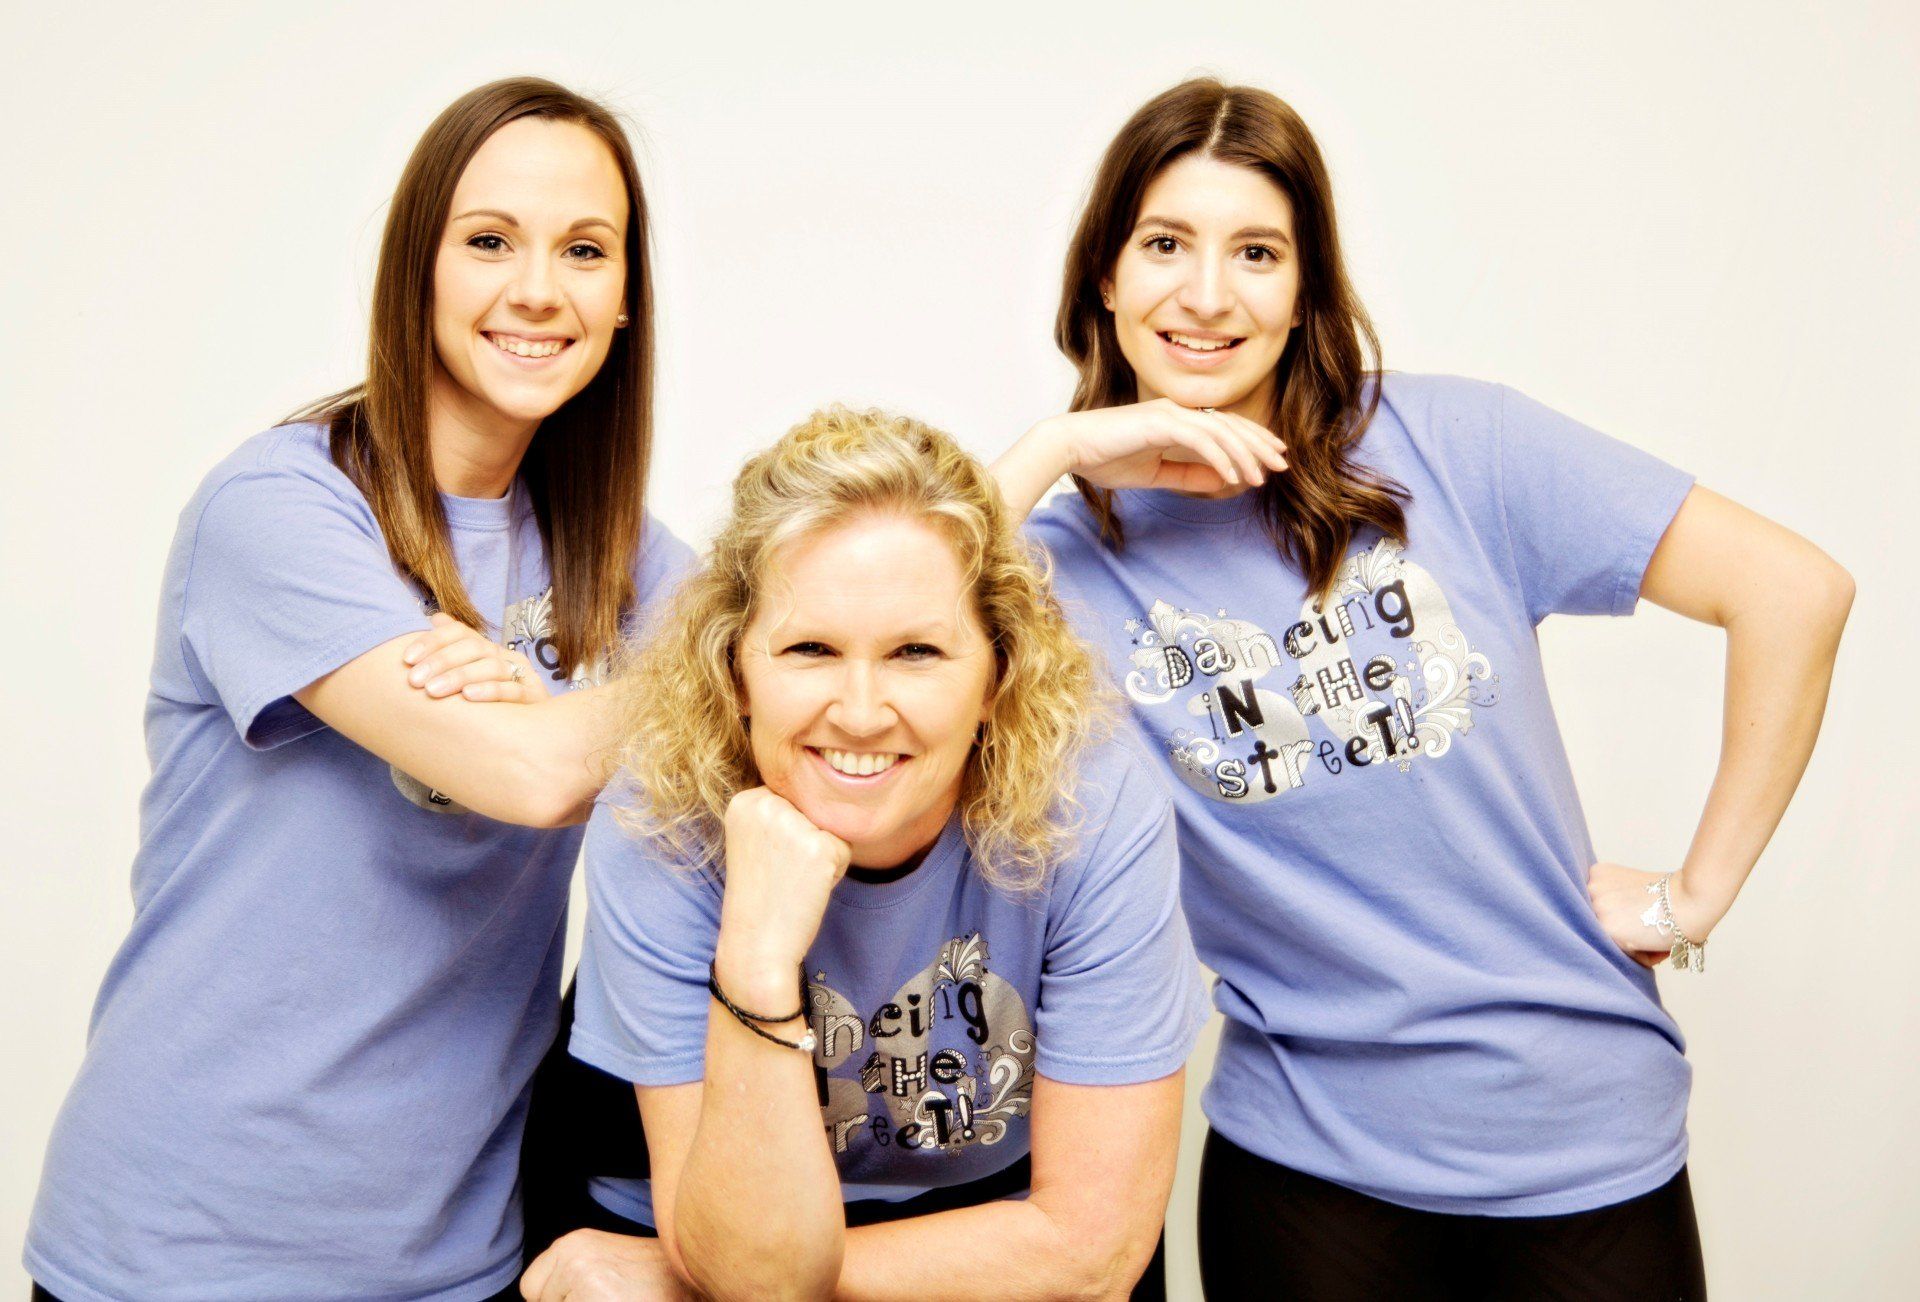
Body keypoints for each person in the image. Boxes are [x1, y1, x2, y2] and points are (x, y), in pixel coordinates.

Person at [992, 77, 1854, 1299]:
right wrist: (1059, 449)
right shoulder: (1050, 568)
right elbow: (853, 622)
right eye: (1165, 245)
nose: (1205, 293)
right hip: (1304, 1164)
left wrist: (1693, 895)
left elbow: (1794, 590)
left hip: (1584, 1138)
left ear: (1303, 295)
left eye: (1256, 252)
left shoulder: (1455, 448)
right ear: (1104, 281)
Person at [25, 77, 691, 1302]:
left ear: (625, 299)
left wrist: (1044, 461)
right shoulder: (282, 512)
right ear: (415, 270)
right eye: (489, 241)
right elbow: (533, 774)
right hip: (183, 1255)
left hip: (458, 1257)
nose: (538, 289)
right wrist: (634, 696)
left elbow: (813, 628)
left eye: (585, 250)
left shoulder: (628, 559)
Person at [520, 407, 1212, 1302]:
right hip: (690, 1211)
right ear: (735, 672)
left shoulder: (1095, 802)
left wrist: (699, 1283)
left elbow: (1090, 1251)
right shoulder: (659, 816)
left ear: (997, 676)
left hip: (978, 1221)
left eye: (915, 652)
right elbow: (749, 1267)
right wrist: (760, 959)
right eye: (810, 649)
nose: (858, 709)